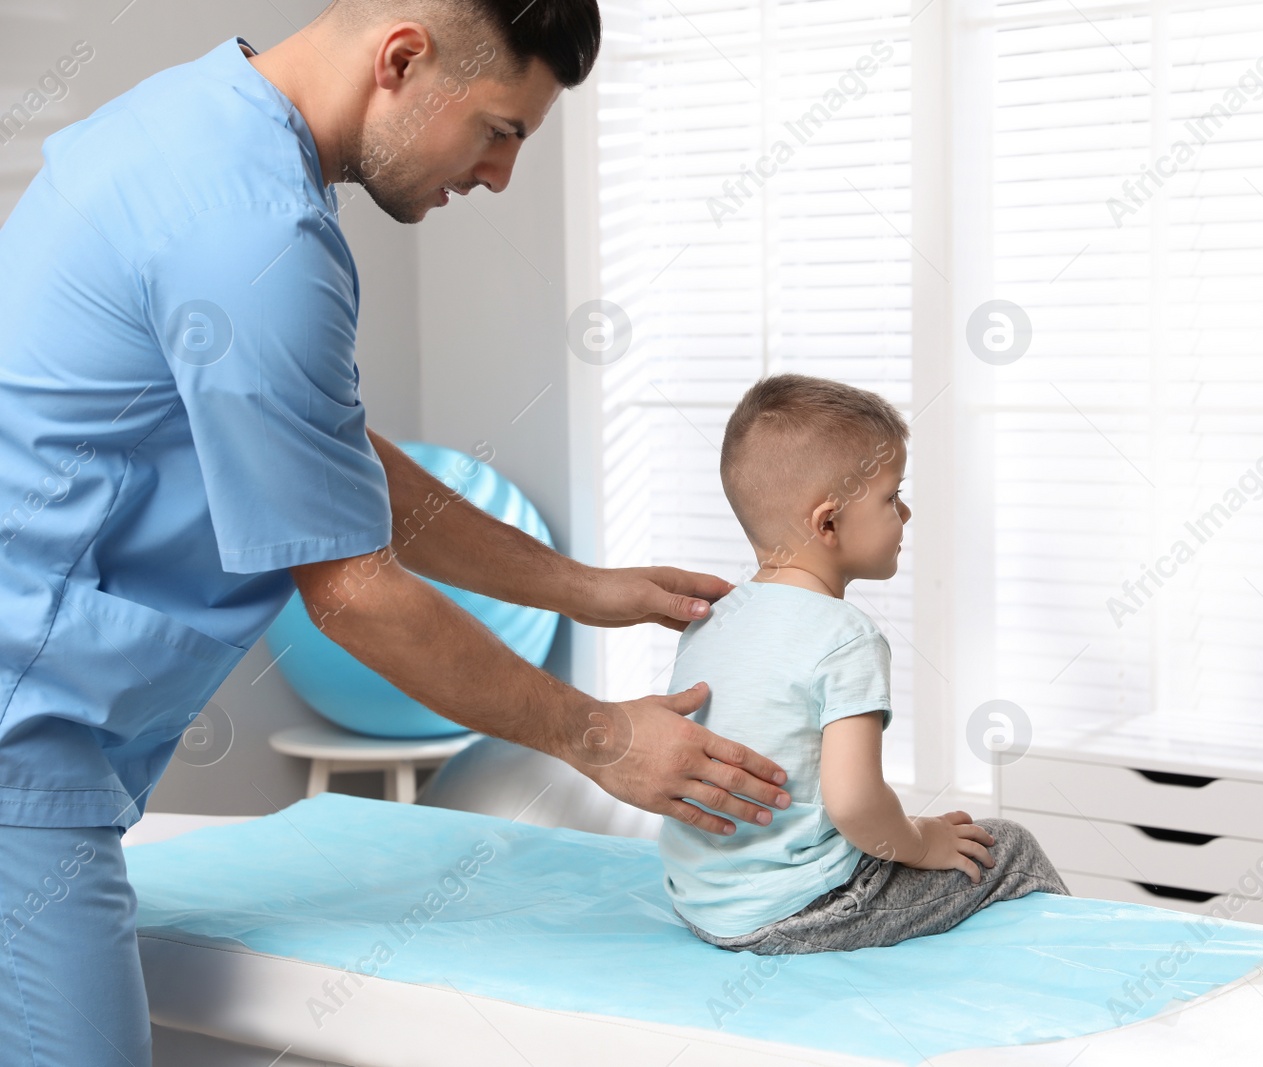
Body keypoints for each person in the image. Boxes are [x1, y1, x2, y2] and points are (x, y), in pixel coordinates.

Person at [0, 3, 790, 1063]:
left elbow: (331, 455)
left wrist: (580, 586)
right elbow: (356, 590)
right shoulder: (255, 233)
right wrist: (604, 738)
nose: (502, 174)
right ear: (403, 58)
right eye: (502, 129)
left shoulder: (188, 121)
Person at [659, 374, 1067, 955]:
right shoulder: (845, 636)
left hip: (701, 901)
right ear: (827, 524)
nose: (907, 511)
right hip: (803, 909)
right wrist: (922, 842)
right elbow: (853, 803)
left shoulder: (711, 617)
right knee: (1009, 846)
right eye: (891, 496)